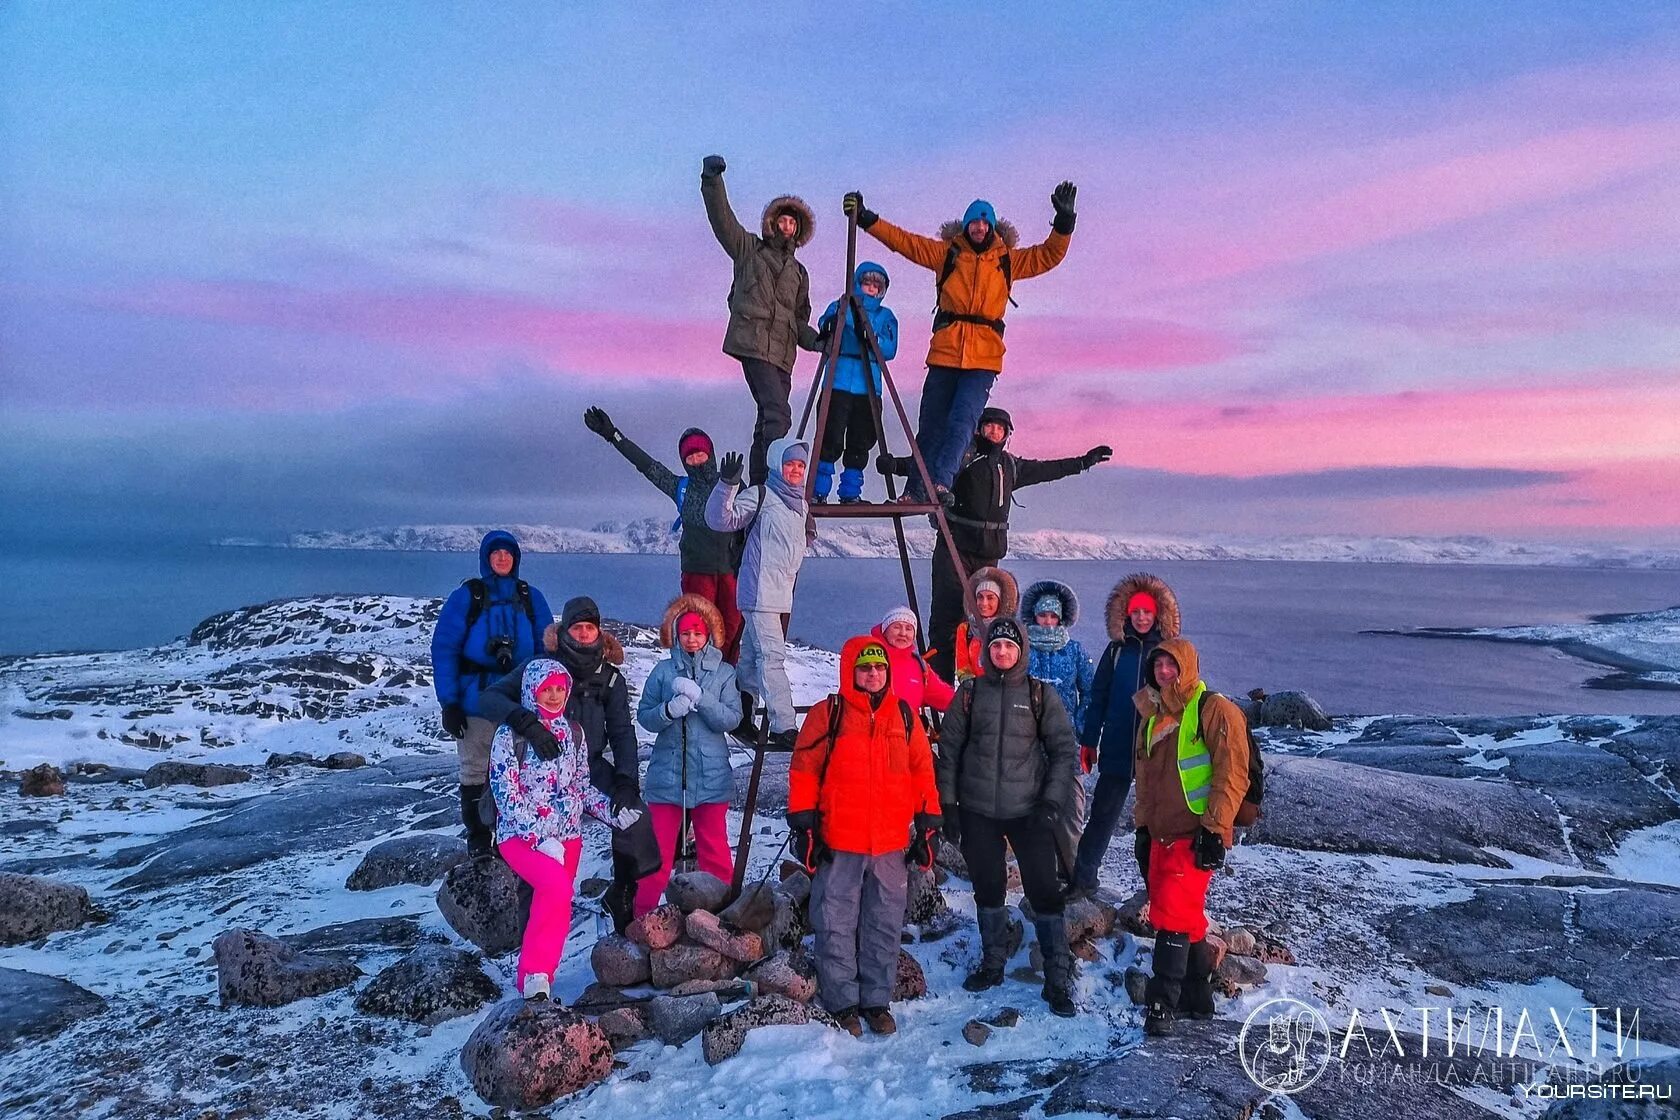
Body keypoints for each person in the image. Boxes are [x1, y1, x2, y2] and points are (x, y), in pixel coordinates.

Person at [842, 184, 1077, 502]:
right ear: (966, 225)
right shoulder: (947, 254)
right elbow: (906, 243)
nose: (979, 227)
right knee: (931, 424)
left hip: (984, 358)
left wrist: (1064, 223)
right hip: (945, 351)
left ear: (992, 227)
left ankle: (941, 483)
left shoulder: (1007, 261)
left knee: (963, 421)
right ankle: (914, 490)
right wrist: (867, 219)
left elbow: (1048, 255)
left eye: (985, 222)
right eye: (974, 222)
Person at [882, 407, 1109, 682]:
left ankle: (980, 690)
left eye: (1000, 428)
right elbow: (929, 466)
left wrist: (1083, 462)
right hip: (954, 547)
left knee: (985, 624)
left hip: (988, 556)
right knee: (946, 619)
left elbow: (1048, 469)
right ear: (979, 429)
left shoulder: (1011, 466)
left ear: (1007, 433)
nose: (995, 432)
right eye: (989, 426)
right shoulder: (963, 456)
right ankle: (939, 691)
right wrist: (895, 466)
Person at [788, 636, 941, 1037]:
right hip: (840, 840)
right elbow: (804, 769)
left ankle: (876, 1001)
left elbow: (922, 771)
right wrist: (804, 825)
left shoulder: (904, 717)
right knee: (835, 921)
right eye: (865, 667)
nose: (873, 674)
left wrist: (928, 824)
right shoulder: (829, 714)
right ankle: (842, 1003)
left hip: (890, 843)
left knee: (884, 922)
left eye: (879, 668)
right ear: (850, 671)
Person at [480, 596, 659, 934]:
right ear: (564, 632)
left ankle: (622, 894)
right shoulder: (539, 667)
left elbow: (622, 734)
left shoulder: (609, 679)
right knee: (537, 835)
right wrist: (527, 724)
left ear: (599, 634)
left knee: (634, 817)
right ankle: (528, 921)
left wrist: (625, 781)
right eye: (576, 627)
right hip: (538, 767)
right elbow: (488, 698)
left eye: (589, 628)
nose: (582, 634)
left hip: (588, 765)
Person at [935, 618, 1080, 1017]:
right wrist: (949, 805)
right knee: (988, 888)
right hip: (979, 809)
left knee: (1045, 893)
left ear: (1021, 652)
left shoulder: (1039, 695)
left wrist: (1052, 802)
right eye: (996, 646)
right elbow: (949, 751)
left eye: (1009, 647)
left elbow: (1064, 752)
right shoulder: (970, 693)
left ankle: (1057, 976)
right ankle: (993, 964)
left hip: (1029, 811)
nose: (1002, 653)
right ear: (987, 651)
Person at [487, 659, 643, 1000]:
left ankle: (537, 979)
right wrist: (539, 838)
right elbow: (505, 793)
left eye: (560, 688)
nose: (555, 695)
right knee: (556, 889)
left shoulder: (574, 733)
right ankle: (537, 973)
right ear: (532, 691)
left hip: (568, 836)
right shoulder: (509, 735)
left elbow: (581, 788)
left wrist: (613, 814)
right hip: (521, 837)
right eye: (547, 689)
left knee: (557, 902)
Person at [1132, 638, 1252, 1035]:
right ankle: (1198, 999)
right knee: (1189, 920)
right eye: (1158, 665)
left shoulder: (1214, 709)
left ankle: (1162, 1003)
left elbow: (1231, 773)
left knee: (1169, 917)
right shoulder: (1154, 717)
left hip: (1196, 834)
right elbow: (1146, 783)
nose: (1164, 672)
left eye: (1172, 665)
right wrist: (1143, 830)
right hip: (1162, 835)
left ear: (1188, 667)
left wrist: (1215, 831)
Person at [581, 409, 744, 662]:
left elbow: (753, 516)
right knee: (700, 629)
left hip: (729, 570)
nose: (696, 459)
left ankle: (727, 681)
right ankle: (700, 678)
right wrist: (613, 435)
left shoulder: (731, 483)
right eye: (690, 456)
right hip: (697, 573)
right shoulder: (681, 487)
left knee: (732, 627)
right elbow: (647, 466)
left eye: (700, 452)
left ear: (710, 452)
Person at [430, 530, 554, 859]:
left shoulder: (530, 598)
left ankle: (513, 840)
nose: (502, 558)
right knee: (475, 771)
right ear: (486, 559)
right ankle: (479, 841)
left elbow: (546, 650)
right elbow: (445, 650)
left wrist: (545, 700)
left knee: (519, 774)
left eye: (508, 553)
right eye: (495, 553)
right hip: (475, 703)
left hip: (519, 704)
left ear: (516, 559)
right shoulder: (468, 597)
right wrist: (450, 703)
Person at [700, 154, 821, 486]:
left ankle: (757, 485)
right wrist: (713, 180)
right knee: (779, 415)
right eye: (782, 221)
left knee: (765, 419)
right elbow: (723, 221)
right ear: (772, 223)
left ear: (799, 230)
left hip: (784, 355)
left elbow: (799, 321)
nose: (787, 227)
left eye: (792, 223)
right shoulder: (749, 250)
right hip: (753, 345)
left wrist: (817, 341)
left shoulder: (799, 273)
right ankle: (772, 481)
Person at [1071, 573, 1180, 899]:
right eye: (1136, 612)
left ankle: (1158, 890)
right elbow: (1099, 694)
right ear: (1126, 614)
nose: (1143, 618)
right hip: (1119, 744)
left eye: (1148, 612)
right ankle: (1083, 880)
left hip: (1157, 750)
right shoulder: (1117, 650)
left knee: (1156, 825)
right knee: (1103, 815)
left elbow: (1184, 698)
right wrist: (1090, 739)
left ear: (1158, 613)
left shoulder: (1170, 652)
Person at [633, 595, 743, 917]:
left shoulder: (723, 673)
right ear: (676, 635)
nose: (691, 639)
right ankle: (643, 918)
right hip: (667, 778)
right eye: (685, 633)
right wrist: (668, 710)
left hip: (710, 778)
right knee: (657, 855)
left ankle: (721, 919)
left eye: (697, 633)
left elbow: (731, 719)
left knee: (715, 853)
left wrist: (702, 700)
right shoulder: (663, 671)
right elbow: (645, 716)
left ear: (708, 634)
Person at [704, 436, 812, 750]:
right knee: (772, 657)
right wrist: (727, 484)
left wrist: (807, 532)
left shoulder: (799, 504)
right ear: (777, 464)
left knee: (750, 658)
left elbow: (789, 546)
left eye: (800, 465)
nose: (795, 470)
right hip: (759, 591)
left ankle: (740, 716)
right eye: (790, 463)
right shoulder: (762, 495)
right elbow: (719, 519)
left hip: (779, 594)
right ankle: (783, 726)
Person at [1021, 579, 1096, 893]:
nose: (1048, 621)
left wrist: (1079, 726)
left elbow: (1090, 692)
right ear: (1034, 616)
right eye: (1043, 616)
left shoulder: (1075, 650)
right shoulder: (1023, 649)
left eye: (1053, 616)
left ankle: (1074, 874)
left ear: (1062, 618)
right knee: (1034, 810)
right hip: (1029, 743)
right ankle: (1044, 876)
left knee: (1070, 811)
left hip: (1066, 745)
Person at [813, 262, 898, 504]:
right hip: (838, 379)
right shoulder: (841, 306)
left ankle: (850, 492)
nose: (870, 289)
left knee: (862, 439)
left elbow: (889, 348)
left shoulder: (885, 316)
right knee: (830, 435)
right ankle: (818, 490)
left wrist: (872, 338)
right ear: (857, 283)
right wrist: (827, 325)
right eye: (866, 283)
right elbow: (825, 322)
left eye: (876, 285)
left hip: (869, 384)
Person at [871, 605, 954, 714]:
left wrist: (975, 703)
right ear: (884, 631)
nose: (903, 633)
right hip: (873, 729)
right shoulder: (869, 660)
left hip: (908, 729)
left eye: (909, 628)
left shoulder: (919, 666)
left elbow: (945, 698)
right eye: (896, 627)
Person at [948, 565, 1018, 682]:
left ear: (1000, 600)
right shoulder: (965, 630)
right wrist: (970, 684)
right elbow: (962, 665)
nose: (984, 603)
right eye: (980, 597)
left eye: (990, 598)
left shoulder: (1011, 629)